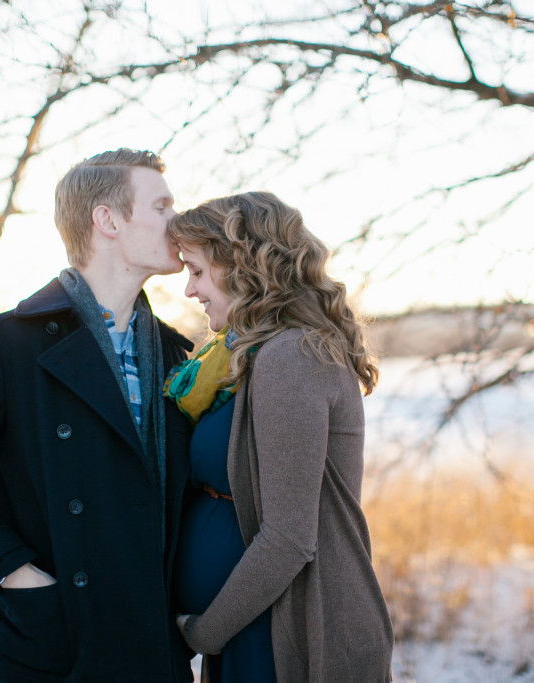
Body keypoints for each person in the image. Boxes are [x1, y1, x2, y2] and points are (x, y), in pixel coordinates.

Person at [0, 149, 196, 683]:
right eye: (161, 206)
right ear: (107, 219)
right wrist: (12, 570)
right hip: (56, 646)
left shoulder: (178, 354)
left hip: (155, 645)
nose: (178, 222)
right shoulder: (7, 343)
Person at [163, 191, 394, 682]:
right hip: (255, 624)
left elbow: (288, 539)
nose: (190, 290)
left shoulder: (293, 357)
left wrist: (206, 633)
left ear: (242, 268)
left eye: (198, 271)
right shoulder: (253, 356)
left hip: (290, 635)